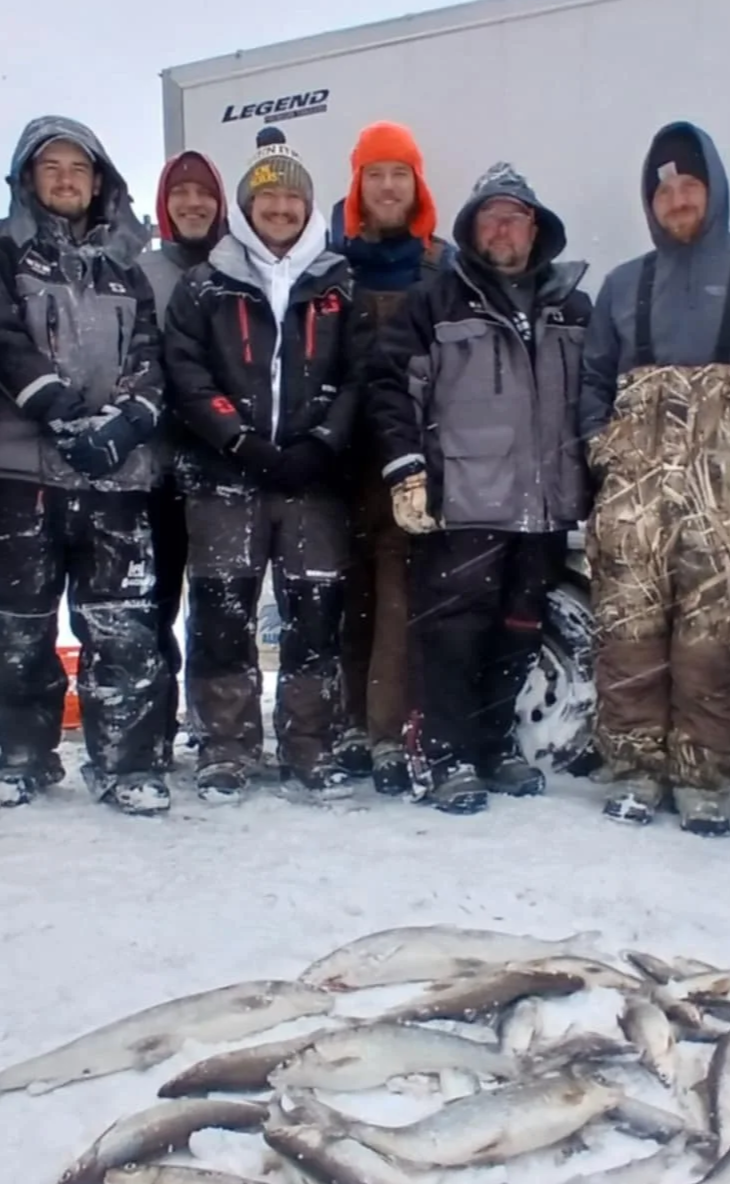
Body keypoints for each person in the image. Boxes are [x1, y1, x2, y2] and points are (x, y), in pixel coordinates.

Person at [580, 122, 730, 836]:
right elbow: (590, 383)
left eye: (689, 184)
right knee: (628, 634)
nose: (676, 198)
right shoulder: (623, 284)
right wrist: (604, 451)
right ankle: (633, 771)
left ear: (713, 188)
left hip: (729, 494)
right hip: (635, 496)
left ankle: (704, 778)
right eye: (663, 188)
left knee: (713, 638)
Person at [368, 163, 592, 813]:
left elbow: (598, 398)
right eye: (489, 217)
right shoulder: (435, 302)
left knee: (520, 632)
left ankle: (494, 746)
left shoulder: (573, 305)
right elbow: (389, 388)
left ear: (534, 229)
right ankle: (446, 755)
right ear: (470, 230)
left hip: (544, 504)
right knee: (452, 634)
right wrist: (406, 468)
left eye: (513, 216)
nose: (502, 228)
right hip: (462, 503)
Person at [0, 118, 171, 816]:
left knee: (121, 627)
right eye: (49, 167)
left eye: (78, 169)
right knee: (17, 625)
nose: (64, 179)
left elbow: (149, 352)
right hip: (17, 471)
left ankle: (126, 763)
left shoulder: (126, 265)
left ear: (99, 182)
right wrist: (53, 406)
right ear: (27, 179)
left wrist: (128, 422)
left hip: (115, 475)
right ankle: (20, 755)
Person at [161, 127, 358, 799]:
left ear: (308, 210)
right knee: (221, 615)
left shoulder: (338, 284)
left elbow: (360, 376)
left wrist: (322, 443)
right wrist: (235, 438)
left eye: (292, 202)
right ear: (245, 207)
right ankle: (227, 745)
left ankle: (310, 743)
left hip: (314, 482)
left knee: (313, 616)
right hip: (224, 477)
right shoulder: (205, 284)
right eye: (267, 200)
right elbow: (184, 373)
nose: (280, 212)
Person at [331, 122, 455, 795]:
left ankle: (385, 732)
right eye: (374, 174)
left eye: (398, 174)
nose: (386, 186)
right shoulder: (331, 265)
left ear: (417, 184)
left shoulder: (441, 266)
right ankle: (346, 721)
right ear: (357, 184)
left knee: (399, 592)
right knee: (345, 593)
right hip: (338, 457)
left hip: (411, 456)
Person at [139, 150, 230, 766]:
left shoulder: (237, 269)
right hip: (155, 468)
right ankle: (153, 726)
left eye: (204, 194)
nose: (193, 203)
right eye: (181, 194)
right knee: (154, 602)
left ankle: (215, 725)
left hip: (223, 463)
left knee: (220, 604)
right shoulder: (142, 271)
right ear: (164, 204)